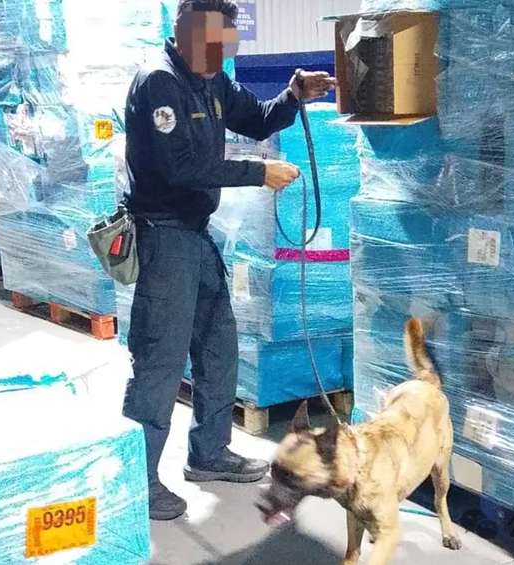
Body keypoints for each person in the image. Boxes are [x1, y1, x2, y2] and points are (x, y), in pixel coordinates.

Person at [122, 0, 335, 520]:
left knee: (219, 345)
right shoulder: (160, 82)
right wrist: (258, 173)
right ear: (185, 31)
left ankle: (209, 452)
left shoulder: (213, 79)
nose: (219, 49)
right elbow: (180, 168)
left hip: (196, 234)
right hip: (163, 235)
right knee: (159, 360)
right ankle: (136, 482)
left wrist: (292, 96)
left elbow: (257, 121)